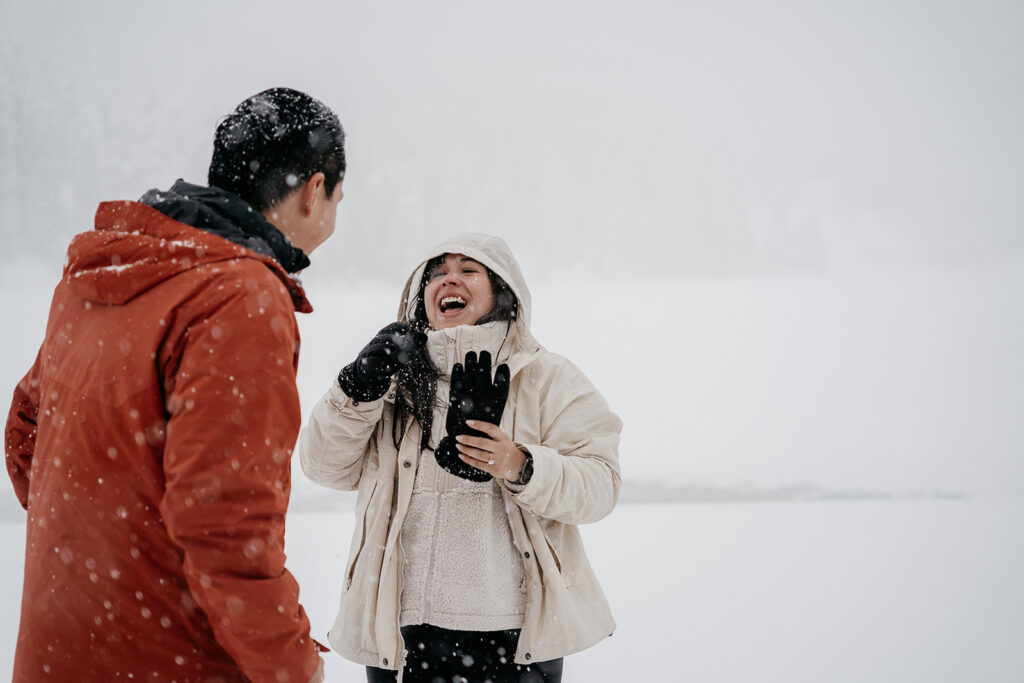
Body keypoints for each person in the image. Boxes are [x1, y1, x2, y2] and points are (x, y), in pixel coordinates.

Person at [4, 87, 346, 682]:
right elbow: (225, 528)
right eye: (341, 199)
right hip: (171, 662)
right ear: (313, 190)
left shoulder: (111, 274)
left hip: (59, 650)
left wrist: (108, 556)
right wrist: (294, 667)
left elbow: (25, 435)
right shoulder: (239, 296)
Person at [300, 233, 622, 682]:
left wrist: (518, 464)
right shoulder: (394, 379)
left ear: (502, 291)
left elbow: (601, 485)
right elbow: (323, 467)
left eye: (468, 270)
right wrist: (357, 388)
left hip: (515, 638)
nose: (449, 280)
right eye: (436, 273)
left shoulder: (547, 377)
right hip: (400, 634)